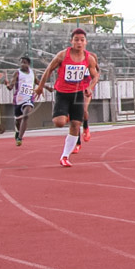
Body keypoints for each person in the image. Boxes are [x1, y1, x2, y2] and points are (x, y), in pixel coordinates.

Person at [35, 28, 100, 167]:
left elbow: (95, 76)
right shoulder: (63, 55)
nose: (79, 43)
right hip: (62, 93)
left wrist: (90, 87)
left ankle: (65, 156)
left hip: (78, 94)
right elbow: (49, 69)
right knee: (59, 122)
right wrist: (40, 86)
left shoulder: (89, 58)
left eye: (82, 40)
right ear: (72, 41)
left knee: (76, 125)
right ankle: (65, 114)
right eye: (76, 40)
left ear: (85, 42)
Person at [6, 55, 49, 147]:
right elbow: (11, 87)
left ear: (28, 64)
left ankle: (20, 138)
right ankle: (18, 132)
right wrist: (7, 84)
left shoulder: (33, 72)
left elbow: (37, 82)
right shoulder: (17, 73)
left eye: (24, 62)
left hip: (29, 98)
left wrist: (47, 87)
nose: (22, 64)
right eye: (21, 62)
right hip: (18, 99)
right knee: (18, 120)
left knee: (25, 116)